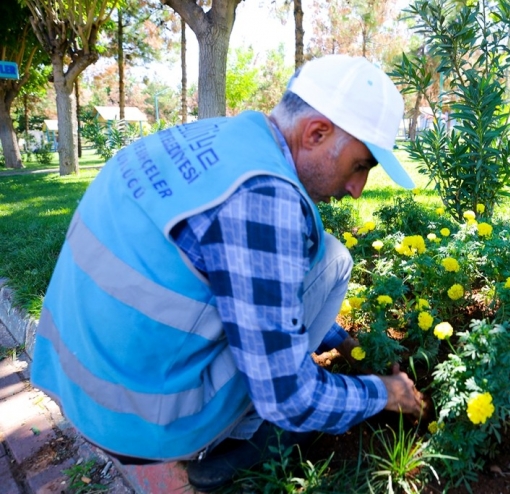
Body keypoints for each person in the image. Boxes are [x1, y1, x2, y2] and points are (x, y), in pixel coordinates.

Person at [30, 55, 424, 492]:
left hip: (72, 381)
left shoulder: (210, 138)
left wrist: (338, 339)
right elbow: (290, 398)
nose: (357, 189)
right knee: (332, 258)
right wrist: (387, 392)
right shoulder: (265, 199)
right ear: (316, 133)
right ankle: (243, 438)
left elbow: (240, 277)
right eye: (360, 165)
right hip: (142, 425)